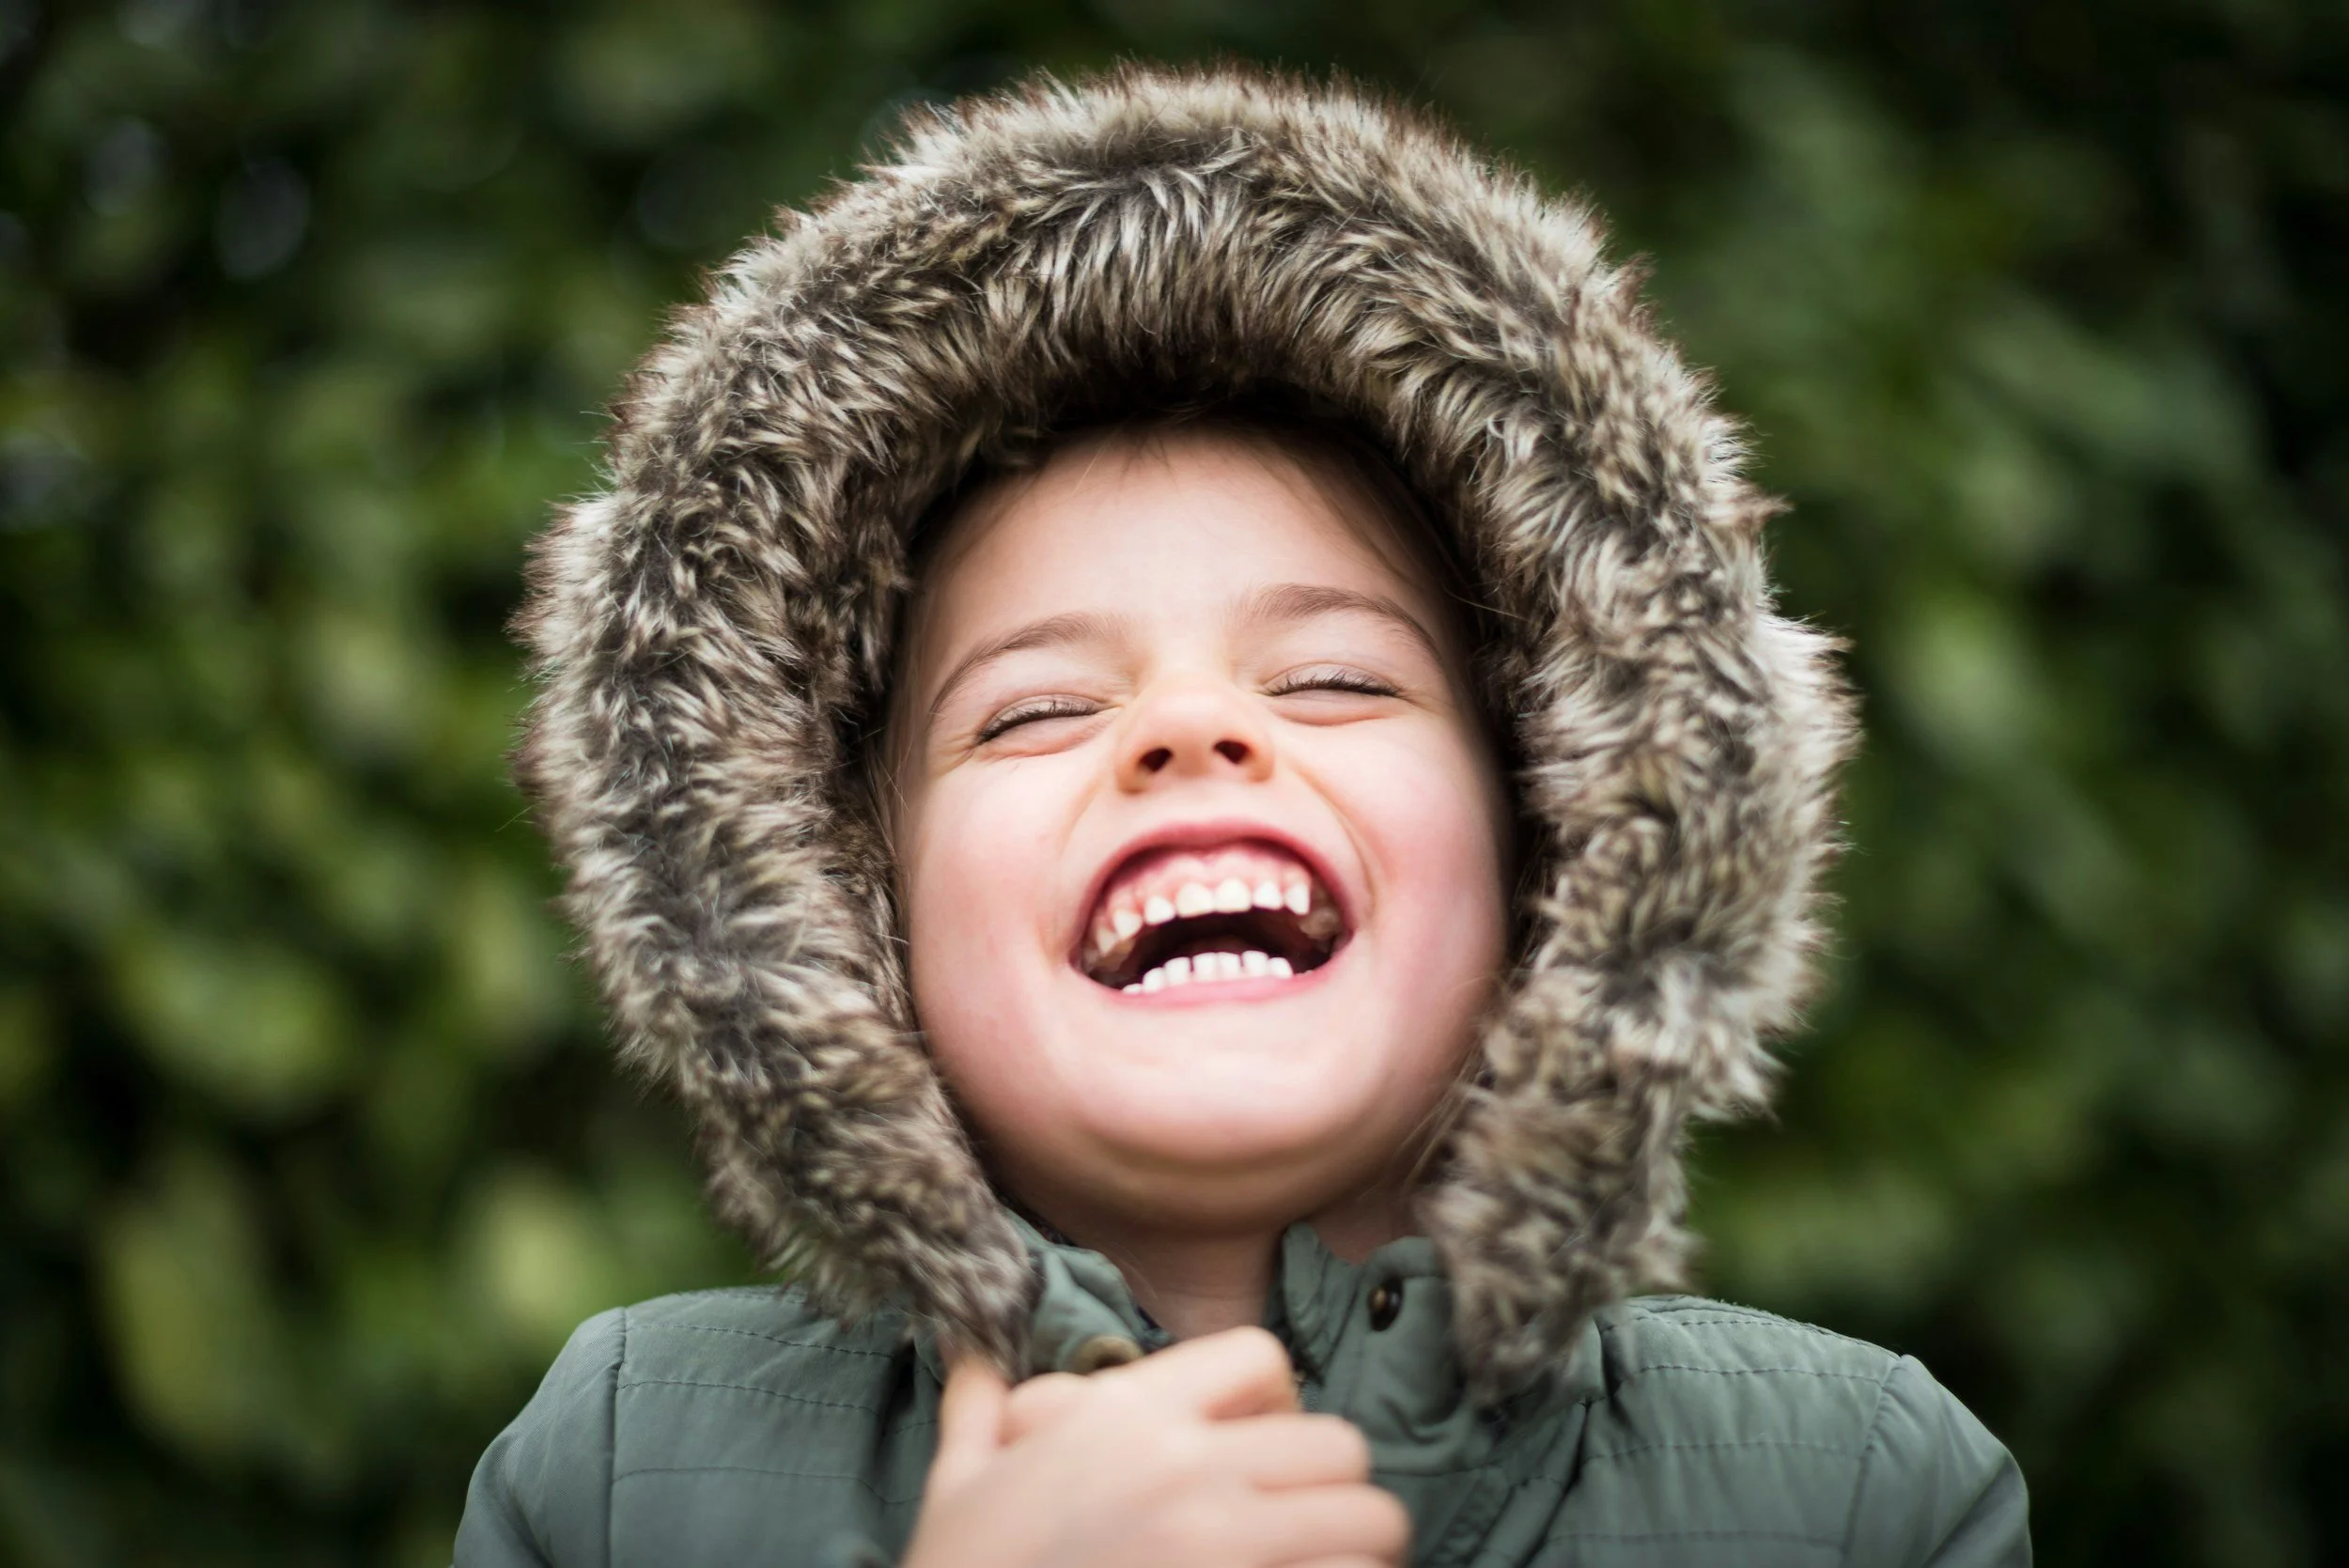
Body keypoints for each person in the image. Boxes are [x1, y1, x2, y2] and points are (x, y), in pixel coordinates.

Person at [455, 65, 2030, 1568]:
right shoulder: (617, 1466)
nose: (1189, 727)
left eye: (1336, 680)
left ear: (1554, 850)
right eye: (1035, 709)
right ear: (848, 908)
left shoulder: (1859, 1488)